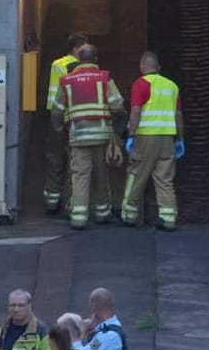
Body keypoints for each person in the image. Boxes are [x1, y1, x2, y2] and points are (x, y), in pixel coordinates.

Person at [55, 44, 124, 229]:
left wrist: (59, 127)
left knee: (80, 176)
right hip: (101, 135)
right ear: (95, 59)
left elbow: (57, 109)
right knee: (101, 175)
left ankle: (78, 217)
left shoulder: (67, 81)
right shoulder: (104, 78)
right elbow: (117, 105)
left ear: (79, 60)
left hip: (78, 136)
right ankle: (102, 213)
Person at [121, 50, 183, 230]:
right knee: (164, 178)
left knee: (137, 173)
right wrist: (180, 139)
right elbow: (179, 115)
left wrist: (131, 135)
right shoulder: (172, 86)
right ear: (159, 68)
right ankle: (168, 218)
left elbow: (135, 112)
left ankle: (129, 214)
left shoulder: (140, 84)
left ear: (142, 67)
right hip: (167, 138)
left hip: (147, 137)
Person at [42, 34, 88, 217]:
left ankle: (52, 202)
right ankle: (71, 203)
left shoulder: (56, 64)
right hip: (73, 117)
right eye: (83, 49)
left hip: (55, 116)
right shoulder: (77, 67)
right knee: (74, 161)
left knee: (55, 159)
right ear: (76, 49)